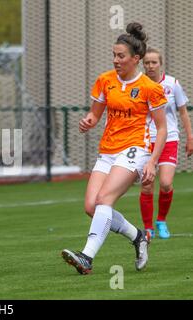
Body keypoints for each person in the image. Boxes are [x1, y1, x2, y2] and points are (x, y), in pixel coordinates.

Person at [61, 22, 168, 275]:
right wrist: (88, 121)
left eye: (121, 56)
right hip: (107, 150)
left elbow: (161, 128)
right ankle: (138, 236)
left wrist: (152, 161)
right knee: (91, 207)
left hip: (135, 149)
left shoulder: (150, 88)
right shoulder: (104, 81)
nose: (116, 60)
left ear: (136, 59)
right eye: (114, 55)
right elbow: (95, 115)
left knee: (104, 200)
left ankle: (86, 257)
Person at [139, 48, 193, 239]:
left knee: (166, 183)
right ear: (142, 64)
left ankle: (161, 220)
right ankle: (148, 228)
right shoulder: (138, 84)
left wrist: (190, 137)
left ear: (160, 63)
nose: (150, 66)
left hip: (169, 138)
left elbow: (183, 112)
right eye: (147, 63)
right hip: (146, 140)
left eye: (154, 62)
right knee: (147, 185)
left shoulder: (172, 84)